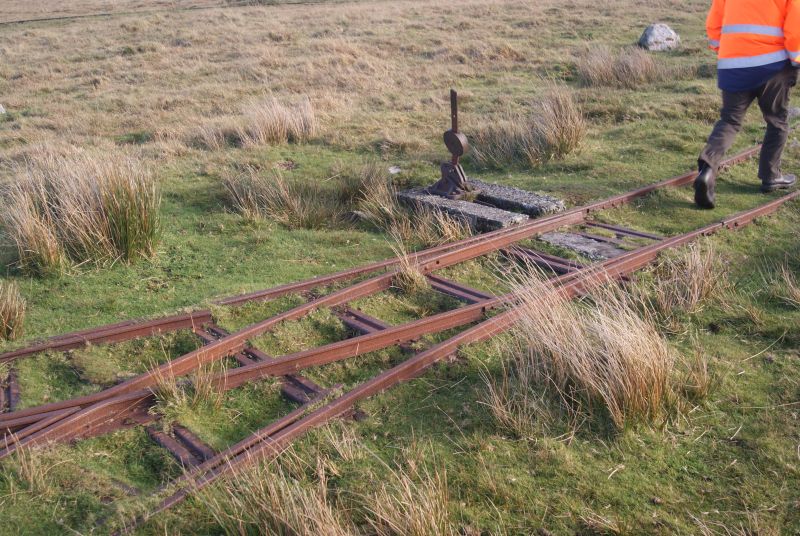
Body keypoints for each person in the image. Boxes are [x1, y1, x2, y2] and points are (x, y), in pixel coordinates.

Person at [695, 0, 800, 209]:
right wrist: (796, 59)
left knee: (730, 121)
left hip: (733, 63)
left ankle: (707, 169)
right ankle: (771, 176)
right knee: (777, 120)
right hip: (774, 64)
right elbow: (795, 26)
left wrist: (723, 49)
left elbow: (714, 21)